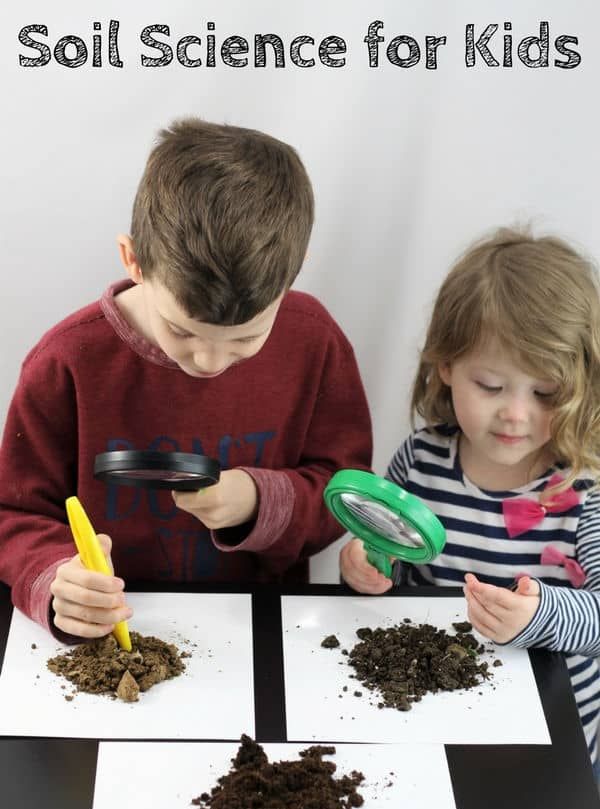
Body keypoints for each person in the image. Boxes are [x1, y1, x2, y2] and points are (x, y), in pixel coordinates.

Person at [0, 117, 372, 643]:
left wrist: (256, 502)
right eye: (182, 330)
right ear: (134, 261)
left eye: (245, 340)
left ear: (293, 275)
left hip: (262, 631)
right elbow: (13, 513)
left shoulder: (314, 341)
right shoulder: (69, 361)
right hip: (117, 632)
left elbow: (345, 494)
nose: (209, 361)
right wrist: (57, 580)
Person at [340, 227, 600, 772]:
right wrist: (366, 568)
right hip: (434, 718)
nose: (515, 413)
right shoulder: (419, 460)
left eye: (545, 393)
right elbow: (395, 574)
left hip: (557, 743)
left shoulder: (586, 488)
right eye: (490, 385)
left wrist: (536, 617)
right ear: (446, 366)